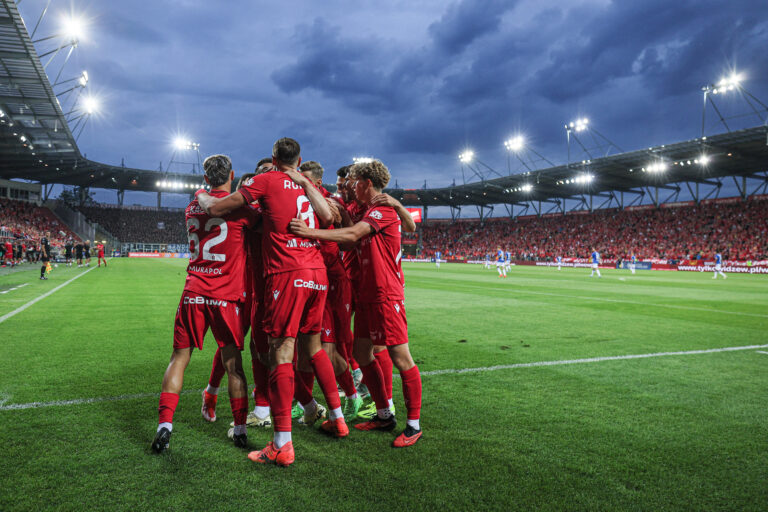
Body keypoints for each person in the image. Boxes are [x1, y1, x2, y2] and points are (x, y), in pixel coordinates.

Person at [196, 137, 344, 466]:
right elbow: (330, 216)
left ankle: (278, 432)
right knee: (274, 349)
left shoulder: (267, 189)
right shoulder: (289, 187)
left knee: (273, 352)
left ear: (274, 160)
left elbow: (219, 208)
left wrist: (202, 194)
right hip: (292, 276)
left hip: (279, 279)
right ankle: (318, 412)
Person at [290, 159, 423, 448]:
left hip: (385, 293)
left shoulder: (383, 209)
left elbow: (351, 236)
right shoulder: (365, 209)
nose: (349, 185)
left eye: (353, 180)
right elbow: (353, 235)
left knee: (401, 356)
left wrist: (309, 232)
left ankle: (413, 425)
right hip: (365, 293)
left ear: (366, 183)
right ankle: (384, 413)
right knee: (362, 353)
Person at [151, 154, 256, 454]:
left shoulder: (191, 207)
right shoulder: (240, 208)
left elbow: (208, 208)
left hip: (193, 291)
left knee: (178, 358)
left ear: (206, 176)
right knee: (233, 364)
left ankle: (165, 426)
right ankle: (239, 429)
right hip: (225, 296)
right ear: (232, 174)